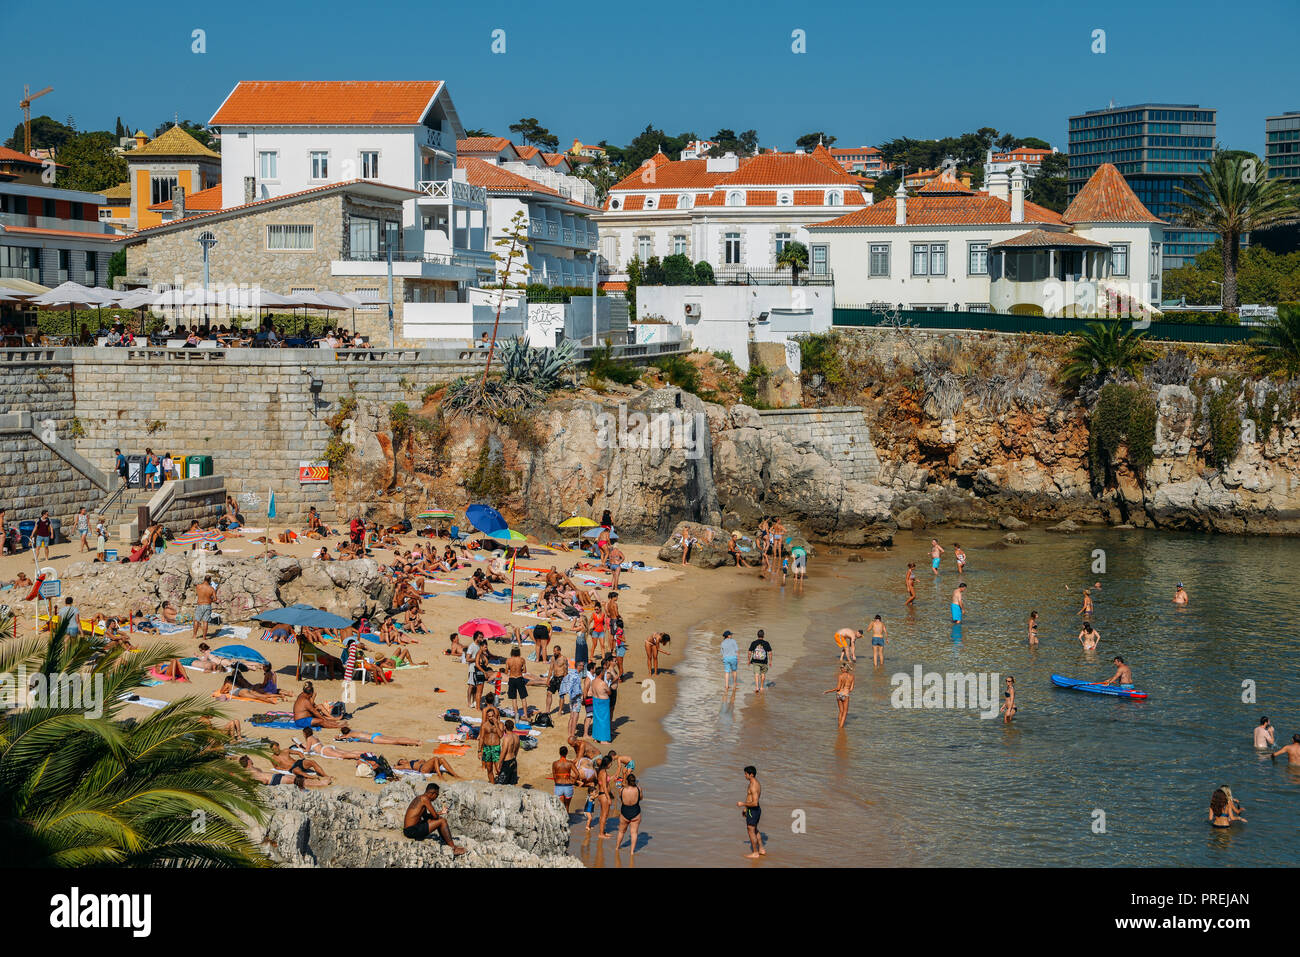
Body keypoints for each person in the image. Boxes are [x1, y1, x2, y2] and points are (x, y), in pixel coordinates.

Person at [402, 784, 467, 854]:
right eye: (437, 795)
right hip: (411, 831)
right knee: (442, 821)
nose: (436, 797)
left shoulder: (420, 798)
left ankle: (446, 841)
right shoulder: (425, 799)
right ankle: (453, 848)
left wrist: (441, 812)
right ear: (433, 793)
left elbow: (426, 816)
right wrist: (439, 815)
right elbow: (435, 816)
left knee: (436, 820)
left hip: (409, 830)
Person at [737, 766, 764, 858]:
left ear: (751, 774)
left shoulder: (753, 785)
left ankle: (755, 853)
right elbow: (750, 798)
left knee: (750, 831)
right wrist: (745, 808)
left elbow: (755, 803)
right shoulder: (753, 782)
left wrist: (742, 804)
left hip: (753, 810)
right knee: (754, 830)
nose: (745, 775)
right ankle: (761, 849)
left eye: (746, 774)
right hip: (753, 810)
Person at [614, 772, 643, 857]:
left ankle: (617, 847)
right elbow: (641, 798)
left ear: (627, 781)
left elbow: (621, 798)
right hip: (635, 812)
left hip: (624, 812)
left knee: (621, 831)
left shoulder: (622, 790)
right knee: (634, 833)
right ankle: (632, 852)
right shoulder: (639, 789)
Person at [824, 663, 854, 729]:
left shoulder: (840, 676)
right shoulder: (852, 677)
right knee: (845, 712)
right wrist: (846, 690)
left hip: (838, 694)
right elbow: (851, 689)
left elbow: (838, 688)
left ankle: (839, 726)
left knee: (841, 711)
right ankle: (840, 728)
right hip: (845, 695)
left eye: (841, 668)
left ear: (844, 669)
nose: (840, 669)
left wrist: (828, 691)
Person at [505, 646, 529, 720]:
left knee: (514, 698)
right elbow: (525, 671)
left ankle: (516, 715)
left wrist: (511, 669)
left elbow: (506, 672)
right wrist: (519, 670)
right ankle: (525, 715)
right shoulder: (522, 660)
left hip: (512, 679)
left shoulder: (508, 660)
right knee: (523, 698)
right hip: (519, 678)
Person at [192, 575, 216, 641]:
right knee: (205, 622)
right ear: (209, 580)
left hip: (200, 604)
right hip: (207, 605)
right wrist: (210, 599)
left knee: (196, 620)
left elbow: (199, 593)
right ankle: (204, 637)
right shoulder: (211, 589)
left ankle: (194, 636)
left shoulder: (198, 586)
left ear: (204, 579)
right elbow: (215, 599)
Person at [553, 746, 577, 812]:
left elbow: (554, 776)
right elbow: (577, 774)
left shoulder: (555, 763)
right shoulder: (570, 763)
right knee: (567, 806)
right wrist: (573, 781)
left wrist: (556, 782)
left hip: (558, 786)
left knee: (560, 807)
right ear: (567, 753)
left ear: (559, 753)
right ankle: (568, 821)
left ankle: (560, 821)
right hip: (568, 786)